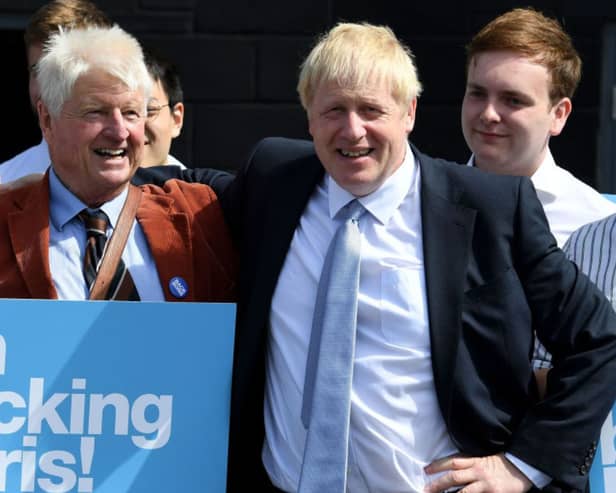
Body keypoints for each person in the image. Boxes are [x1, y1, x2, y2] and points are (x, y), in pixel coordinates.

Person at [217, 23, 616, 493]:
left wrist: (523, 465)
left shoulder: (491, 209)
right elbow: (178, 187)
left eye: (371, 110)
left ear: (409, 112)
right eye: (333, 110)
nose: (353, 130)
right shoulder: (274, 177)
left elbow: (599, 341)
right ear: (308, 116)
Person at [0, 25, 236, 303]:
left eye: (131, 113)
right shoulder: (5, 219)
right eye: (96, 112)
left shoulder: (196, 216)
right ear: (47, 120)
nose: (119, 131)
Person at [461, 7, 616, 248]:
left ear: (558, 115)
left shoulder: (598, 225)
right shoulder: (420, 207)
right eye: (477, 94)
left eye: (513, 100)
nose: (489, 114)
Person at [0, 0, 112, 183]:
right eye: (39, 71)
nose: (49, 87)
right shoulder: (4, 184)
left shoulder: (162, 185)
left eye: (63, 71)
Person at [142, 46, 186, 168]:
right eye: (128, 112)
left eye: (149, 110)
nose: (135, 127)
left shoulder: (205, 186)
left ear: (176, 119)